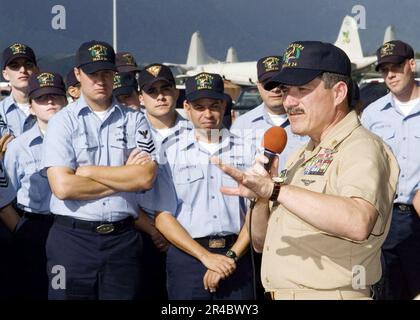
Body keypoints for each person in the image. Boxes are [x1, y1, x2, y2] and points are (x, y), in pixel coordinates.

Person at [214, 41, 400, 300]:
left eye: (302, 89)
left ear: (338, 93)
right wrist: (261, 198)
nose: (289, 101)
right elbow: (260, 241)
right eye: (286, 90)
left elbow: (358, 222)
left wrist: (276, 189)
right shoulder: (301, 155)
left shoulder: (361, 147)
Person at [41, 40, 157, 300]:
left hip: (122, 240)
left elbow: (146, 177)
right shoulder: (62, 121)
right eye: (93, 73)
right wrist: (125, 177)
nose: (100, 80)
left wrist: (87, 171)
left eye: (106, 72)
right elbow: (63, 187)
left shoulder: (135, 118)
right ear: (79, 74)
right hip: (72, 242)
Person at [155, 72, 254, 300]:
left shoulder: (247, 150)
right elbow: (163, 216)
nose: (207, 114)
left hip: (235, 257)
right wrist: (205, 257)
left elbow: (256, 212)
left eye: (214, 105)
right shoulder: (169, 152)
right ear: (187, 107)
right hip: (188, 259)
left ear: (225, 106)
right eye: (199, 107)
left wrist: (229, 256)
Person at [361, 40, 420, 300]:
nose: (390, 75)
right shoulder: (373, 114)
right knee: (388, 292)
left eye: (396, 67)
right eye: (384, 70)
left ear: (412, 64)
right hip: (387, 218)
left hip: (419, 216)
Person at [3, 71, 67, 299]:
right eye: (41, 98)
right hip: (33, 227)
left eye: (55, 96)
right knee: (32, 289)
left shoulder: (79, 142)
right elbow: (5, 195)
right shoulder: (18, 147)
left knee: (62, 289)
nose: (49, 101)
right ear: (31, 107)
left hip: (70, 229)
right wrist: (21, 231)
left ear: (66, 101)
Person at [134, 63, 189, 300]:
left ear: (176, 92)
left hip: (188, 232)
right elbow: (120, 190)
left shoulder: (196, 130)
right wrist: (152, 229)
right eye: (152, 91)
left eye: (165, 89)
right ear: (141, 97)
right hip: (142, 232)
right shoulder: (129, 133)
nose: (160, 96)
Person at [231, 55, 307, 169]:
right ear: (258, 86)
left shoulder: (307, 121)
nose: (275, 89)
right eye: (268, 83)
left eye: (279, 83)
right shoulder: (241, 125)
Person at [0, 43, 38, 137]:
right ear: (5, 74)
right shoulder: (1, 112)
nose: (23, 70)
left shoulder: (52, 108)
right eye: (14, 65)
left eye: (28, 64)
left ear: (36, 70)